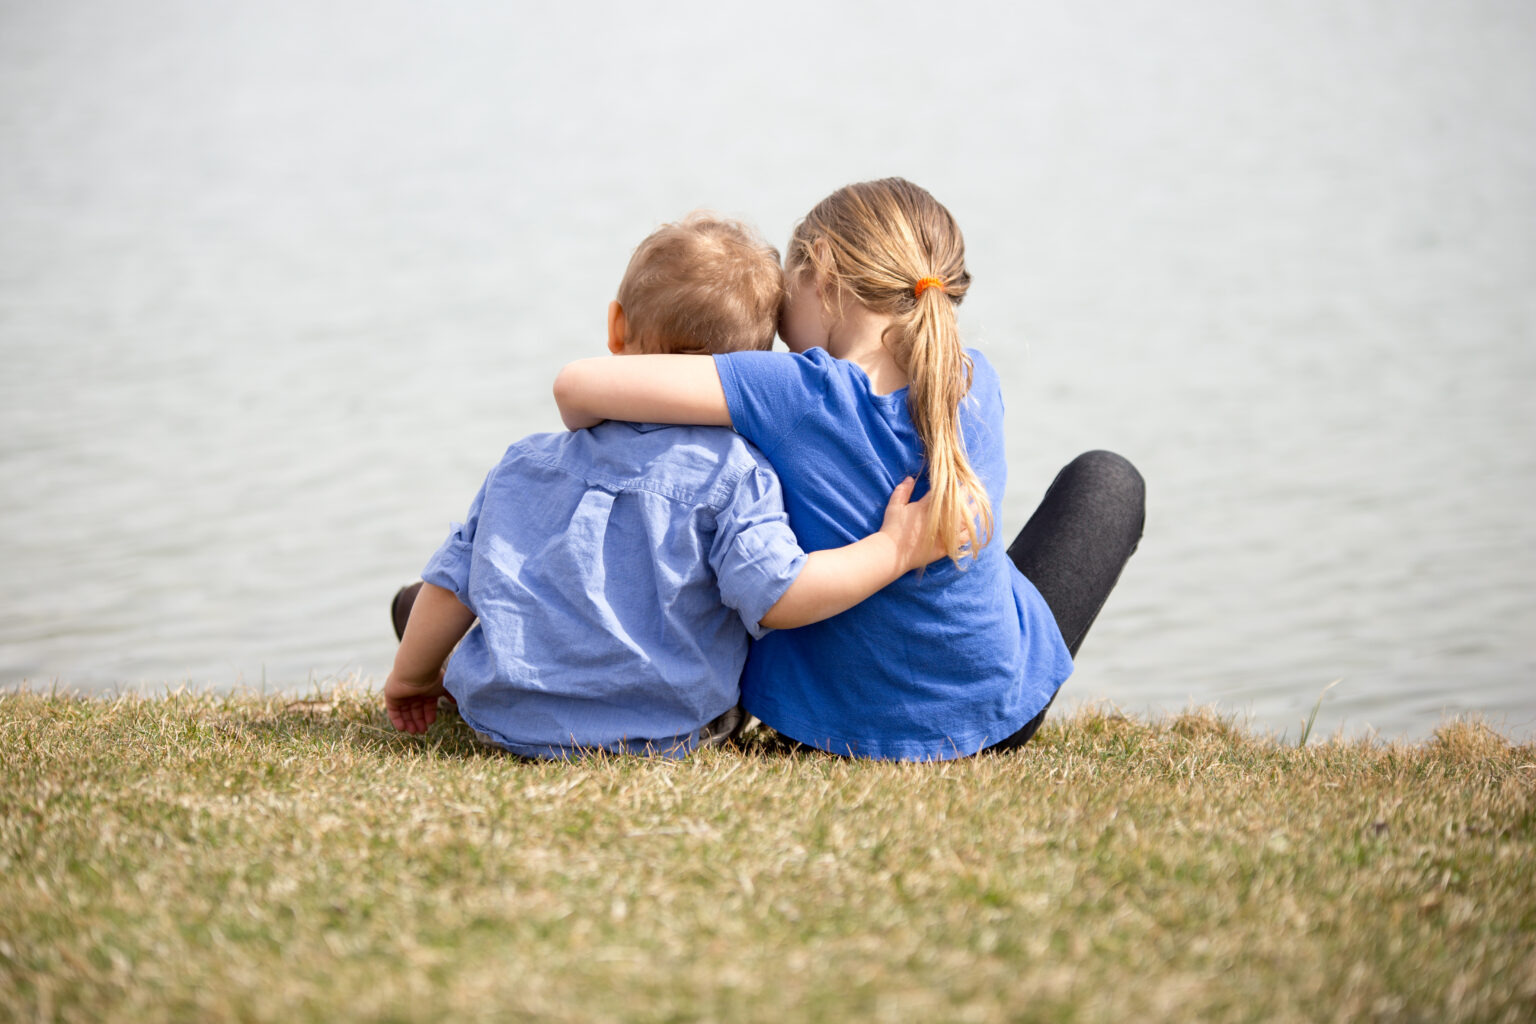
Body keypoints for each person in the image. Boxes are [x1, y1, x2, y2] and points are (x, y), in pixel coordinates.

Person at [553, 178, 1145, 760]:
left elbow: (576, 386)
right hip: (995, 719)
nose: (783, 341)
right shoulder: (973, 381)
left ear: (825, 270)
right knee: (1107, 480)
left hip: (819, 729)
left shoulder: (789, 389)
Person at [385, 212, 946, 758]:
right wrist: (891, 548)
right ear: (756, 364)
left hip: (506, 720)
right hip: (668, 731)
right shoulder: (739, 474)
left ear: (616, 327)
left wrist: (410, 679)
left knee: (446, 591)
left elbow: (452, 580)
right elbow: (775, 593)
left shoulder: (523, 461)